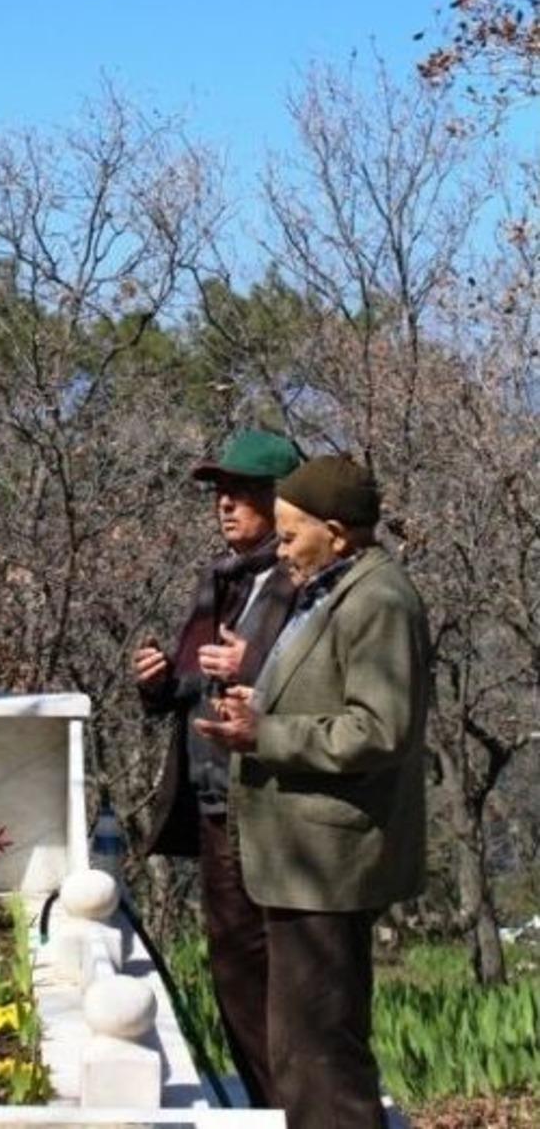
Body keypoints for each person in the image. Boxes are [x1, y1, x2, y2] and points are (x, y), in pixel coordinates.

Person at [195, 454, 430, 1129]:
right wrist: (258, 700)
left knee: (322, 1051)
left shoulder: (378, 599)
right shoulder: (330, 586)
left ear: (337, 530)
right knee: (301, 1048)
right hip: (297, 858)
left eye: (294, 532)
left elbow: (379, 729)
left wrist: (266, 733)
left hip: (327, 863)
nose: (284, 544)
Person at [133, 428, 302, 1108]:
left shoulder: (301, 579)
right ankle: (268, 1106)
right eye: (219, 493)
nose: (224, 506)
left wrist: (252, 667)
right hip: (212, 800)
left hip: (266, 800)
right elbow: (188, 681)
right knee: (234, 964)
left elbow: (314, 682)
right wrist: (155, 682)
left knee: (276, 969)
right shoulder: (220, 579)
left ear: (279, 501)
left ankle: (291, 1107)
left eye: (241, 493)